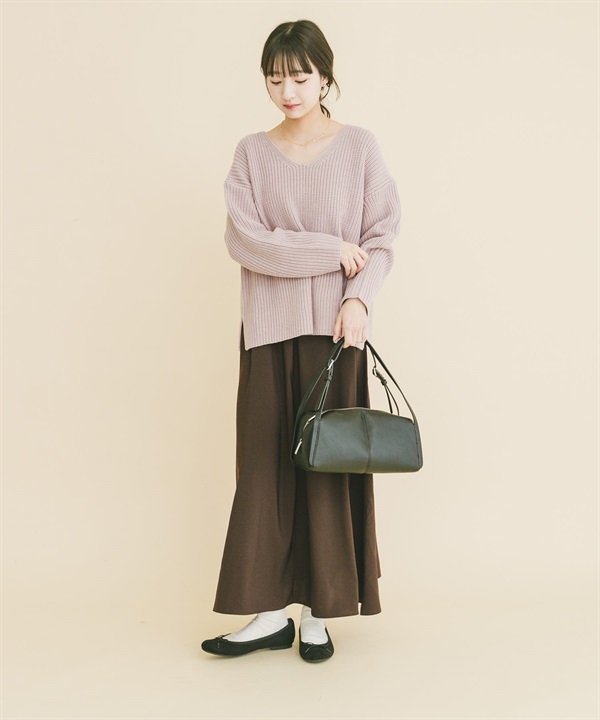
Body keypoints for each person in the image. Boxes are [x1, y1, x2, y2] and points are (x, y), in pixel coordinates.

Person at [201, 19, 401, 663]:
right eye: (274, 78)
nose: (287, 91)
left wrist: (359, 297)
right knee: (263, 470)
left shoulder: (360, 147)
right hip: (267, 331)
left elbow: (381, 237)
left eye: (300, 76)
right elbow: (247, 242)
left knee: (327, 469)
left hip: (337, 333)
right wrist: (329, 251)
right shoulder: (251, 153)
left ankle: (319, 613)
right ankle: (267, 615)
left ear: (324, 75)